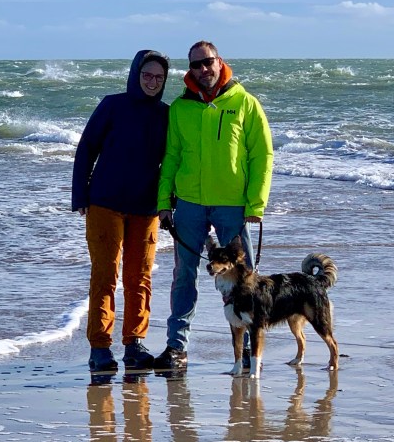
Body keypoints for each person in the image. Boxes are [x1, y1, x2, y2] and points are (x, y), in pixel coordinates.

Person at [154, 41, 273, 371]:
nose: (203, 69)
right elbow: (172, 157)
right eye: (196, 65)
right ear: (189, 70)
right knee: (183, 276)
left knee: (243, 279)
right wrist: (164, 202)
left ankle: (248, 349)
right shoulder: (180, 108)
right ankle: (177, 347)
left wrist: (256, 203)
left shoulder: (245, 103)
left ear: (220, 62)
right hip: (189, 204)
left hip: (233, 207)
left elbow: (262, 155)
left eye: (208, 62)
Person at [72, 50, 169, 374]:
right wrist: (80, 195)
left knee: (139, 277)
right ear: (135, 74)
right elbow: (86, 148)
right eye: (147, 75)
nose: (152, 82)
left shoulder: (166, 115)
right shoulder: (112, 105)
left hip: (146, 209)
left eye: (158, 77)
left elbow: (172, 164)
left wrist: (171, 204)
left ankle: (134, 345)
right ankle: (100, 347)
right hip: (105, 205)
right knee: (105, 275)